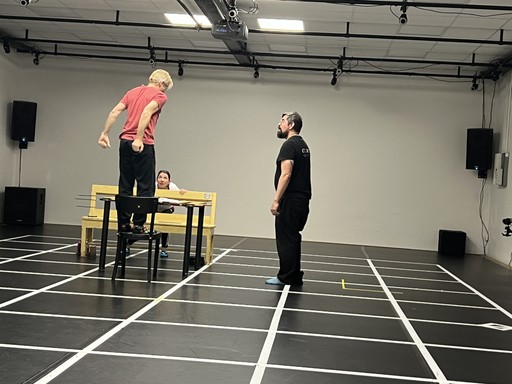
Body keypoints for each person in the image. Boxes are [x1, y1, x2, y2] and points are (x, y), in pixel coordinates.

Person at [98, 69, 173, 235]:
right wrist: (139, 138)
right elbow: (147, 111)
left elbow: (114, 112)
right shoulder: (160, 96)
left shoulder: (132, 92)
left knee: (125, 183)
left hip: (124, 142)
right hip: (143, 143)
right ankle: (138, 225)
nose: (164, 92)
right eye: (164, 88)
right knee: (145, 187)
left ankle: (124, 223)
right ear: (161, 84)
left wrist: (105, 133)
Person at [267, 112, 311, 286]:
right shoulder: (303, 145)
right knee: (293, 238)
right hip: (302, 200)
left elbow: (286, 174)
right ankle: (293, 275)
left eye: (283, 121)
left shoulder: (289, 145)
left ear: (291, 125)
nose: (279, 124)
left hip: (290, 200)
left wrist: (276, 200)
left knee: (286, 239)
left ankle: (286, 277)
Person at [156, 169, 187, 257]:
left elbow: (181, 197)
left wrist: (183, 192)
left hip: (167, 209)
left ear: (169, 181)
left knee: (165, 227)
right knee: (142, 225)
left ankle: (164, 249)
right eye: (160, 177)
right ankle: (128, 244)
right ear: (156, 179)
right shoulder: (153, 186)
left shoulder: (172, 187)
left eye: (165, 178)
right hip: (154, 208)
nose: (162, 180)